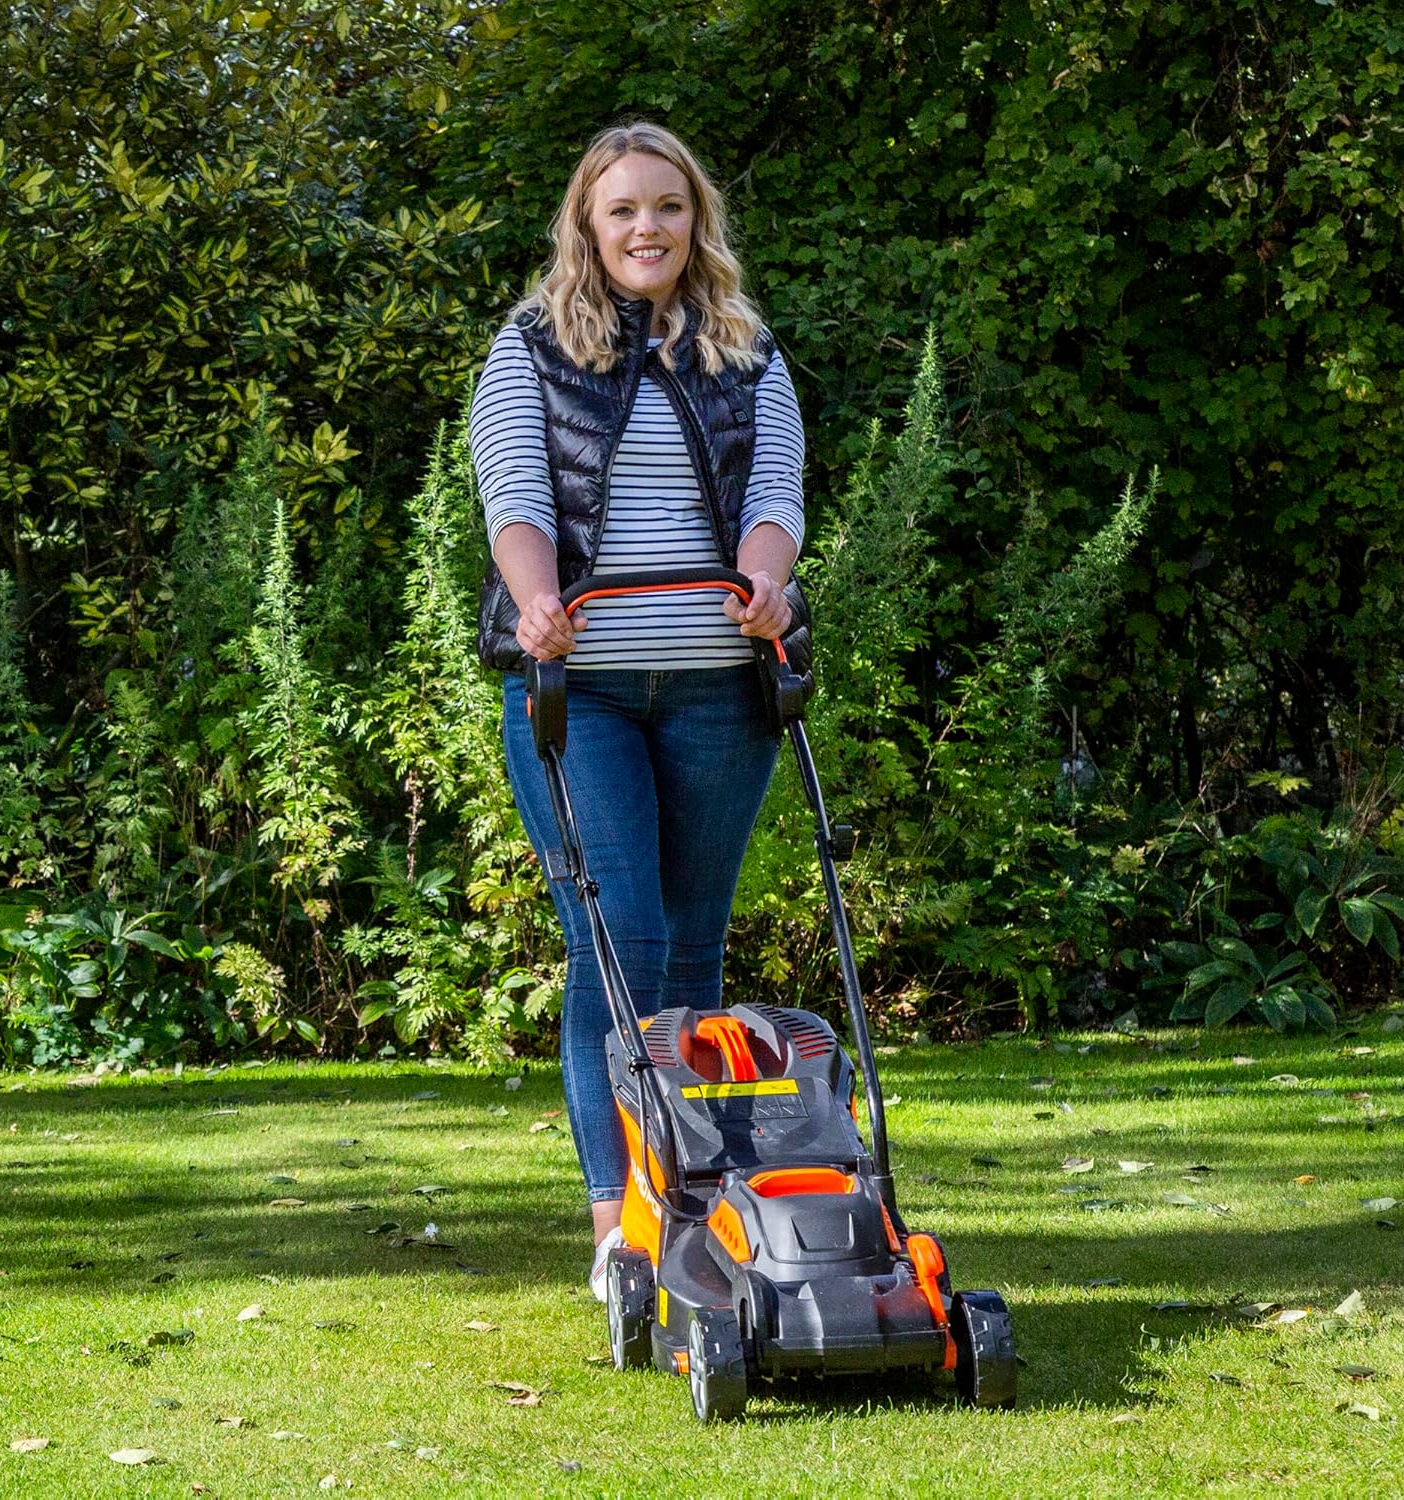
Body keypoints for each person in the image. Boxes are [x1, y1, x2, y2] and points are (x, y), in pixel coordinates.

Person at [469, 121, 811, 1302]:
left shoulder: (742, 345)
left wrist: (765, 579)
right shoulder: (529, 349)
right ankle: (620, 1224)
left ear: (696, 219)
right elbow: (514, 491)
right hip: (581, 689)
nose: (647, 228)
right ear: (586, 224)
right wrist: (533, 604)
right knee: (617, 943)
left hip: (722, 686)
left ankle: (696, 1197)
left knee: (695, 945)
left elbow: (775, 491)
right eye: (623, 210)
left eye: (667, 207)